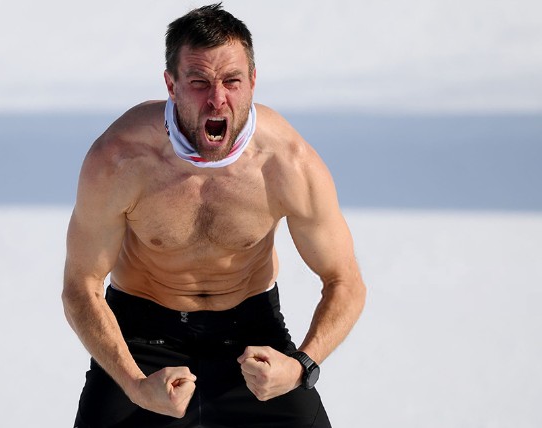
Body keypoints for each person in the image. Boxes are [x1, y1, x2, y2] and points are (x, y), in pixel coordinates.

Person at [62, 3, 366, 427]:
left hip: (251, 335)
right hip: (141, 336)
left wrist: (300, 366)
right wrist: (135, 384)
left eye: (232, 81)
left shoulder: (288, 163)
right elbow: (81, 286)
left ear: (253, 81)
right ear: (171, 85)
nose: (218, 99)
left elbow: (345, 282)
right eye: (200, 82)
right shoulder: (119, 160)